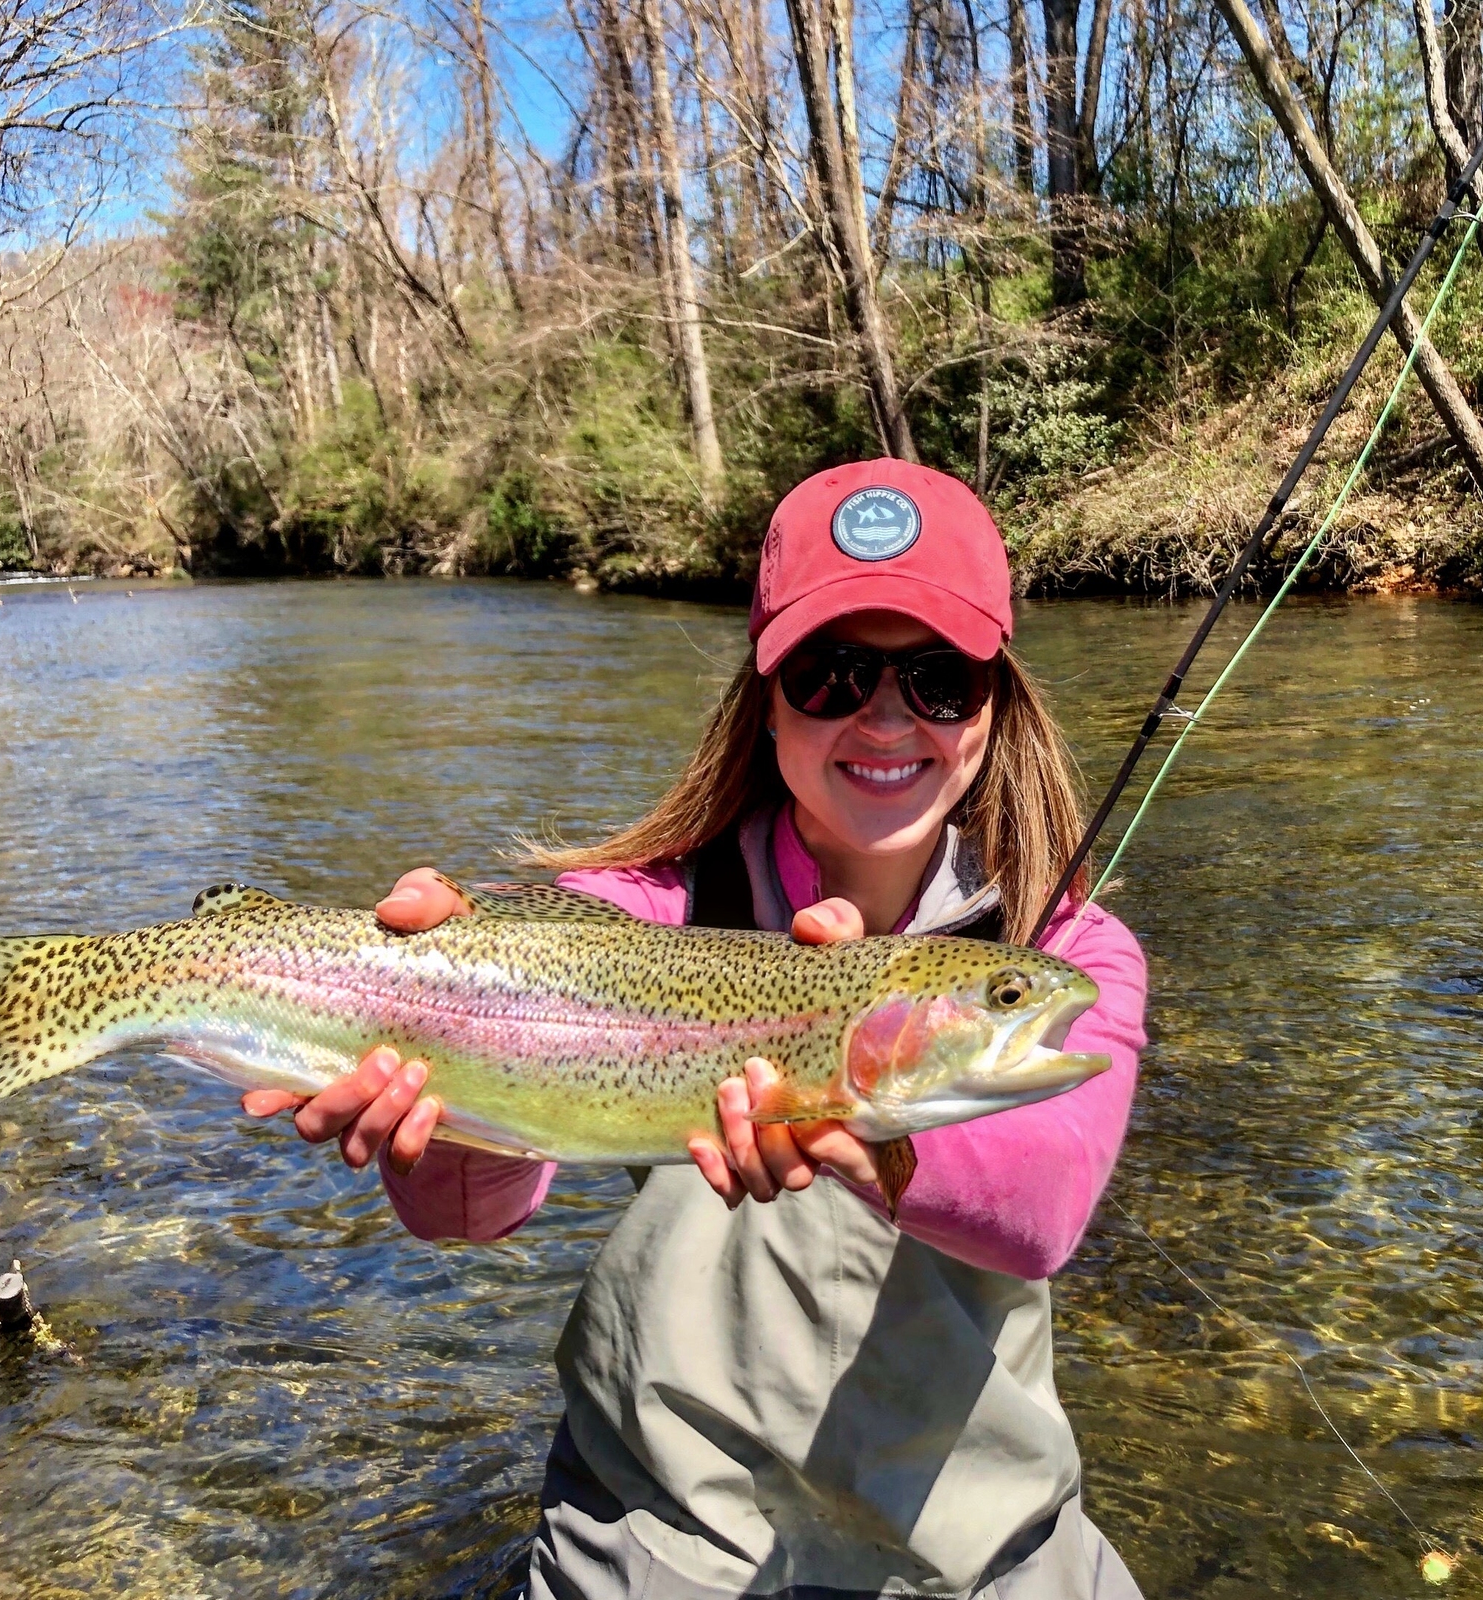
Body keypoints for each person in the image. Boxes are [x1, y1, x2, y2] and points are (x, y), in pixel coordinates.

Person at [242, 459, 1149, 1600]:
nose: (885, 715)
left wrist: (854, 1129)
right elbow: (476, 1212)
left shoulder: (1066, 955)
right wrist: (440, 1110)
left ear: (992, 707)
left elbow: (1043, 1209)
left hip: (974, 1549)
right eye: (829, 674)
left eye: (937, 677)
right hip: (666, 1534)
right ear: (764, 699)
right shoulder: (641, 915)